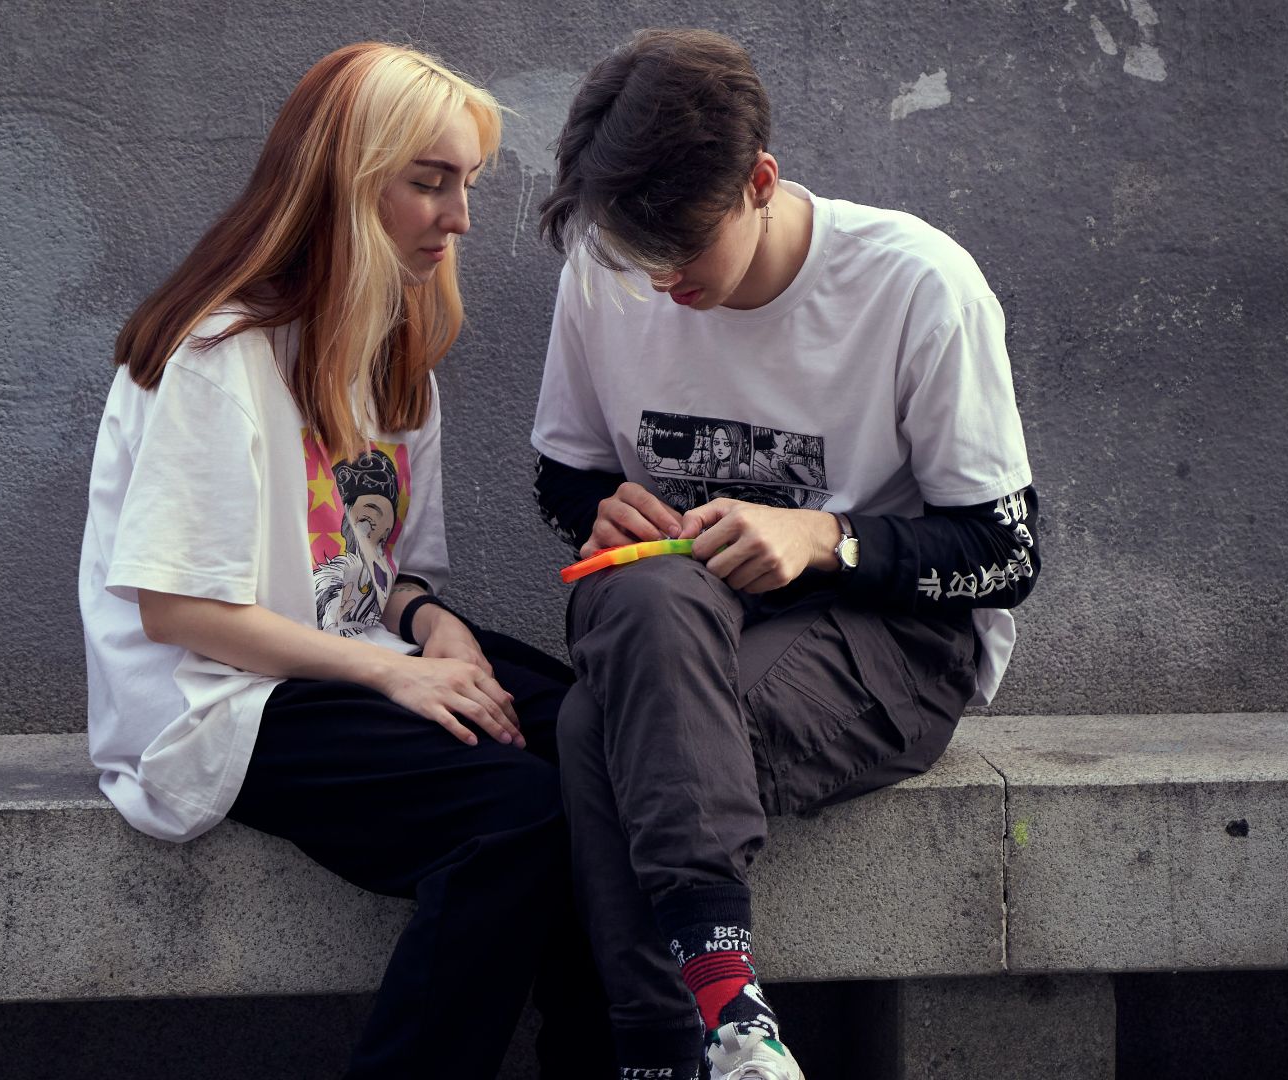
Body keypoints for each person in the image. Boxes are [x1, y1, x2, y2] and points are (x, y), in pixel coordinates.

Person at [78, 42, 609, 1079]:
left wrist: (429, 625)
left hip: (341, 656)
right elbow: (179, 613)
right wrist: (392, 670)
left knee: (596, 736)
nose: (459, 217)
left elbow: (373, 575)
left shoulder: (391, 357)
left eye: (466, 184)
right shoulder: (215, 355)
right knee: (514, 819)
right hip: (218, 701)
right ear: (345, 182)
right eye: (430, 182)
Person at [529, 29, 1043, 1080]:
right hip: (672, 620)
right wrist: (601, 513)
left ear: (760, 181)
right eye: (637, 252)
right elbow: (561, 478)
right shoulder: (606, 263)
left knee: (594, 729)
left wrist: (827, 539)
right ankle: (733, 1028)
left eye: (685, 247)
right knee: (652, 598)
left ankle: (660, 1047)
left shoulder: (914, 285)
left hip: (886, 638)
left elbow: (1008, 552)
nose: (661, 279)